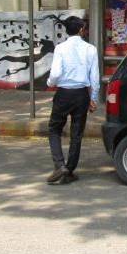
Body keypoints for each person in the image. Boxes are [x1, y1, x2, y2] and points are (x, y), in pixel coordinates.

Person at [45, 16, 99, 185]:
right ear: (81, 30)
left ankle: (60, 165)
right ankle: (69, 169)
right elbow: (95, 78)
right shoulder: (91, 49)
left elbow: (54, 74)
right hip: (81, 94)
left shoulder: (60, 48)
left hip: (64, 93)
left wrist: (50, 83)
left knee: (54, 129)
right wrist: (93, 98)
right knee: (77, 133)